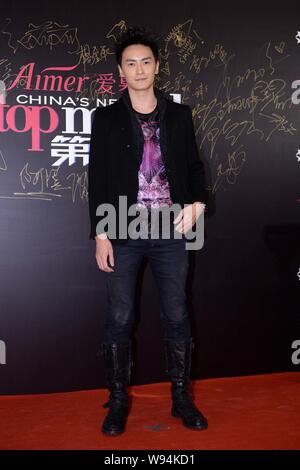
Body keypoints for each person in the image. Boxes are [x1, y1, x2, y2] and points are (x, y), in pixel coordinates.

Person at [88, 26, 209, 436]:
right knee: (120, 316)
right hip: (122, 229)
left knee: (177, 313)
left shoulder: (180, 115)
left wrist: (198, 204)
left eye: (146, 62)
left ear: (157, 67)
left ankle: (180, 398)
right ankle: (118, 400)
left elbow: (194, 168)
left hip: (171, 231)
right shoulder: (105, 119)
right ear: (121, 71)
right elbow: (98, 180)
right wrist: (101, 235)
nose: (139, 70)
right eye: (130, 63)